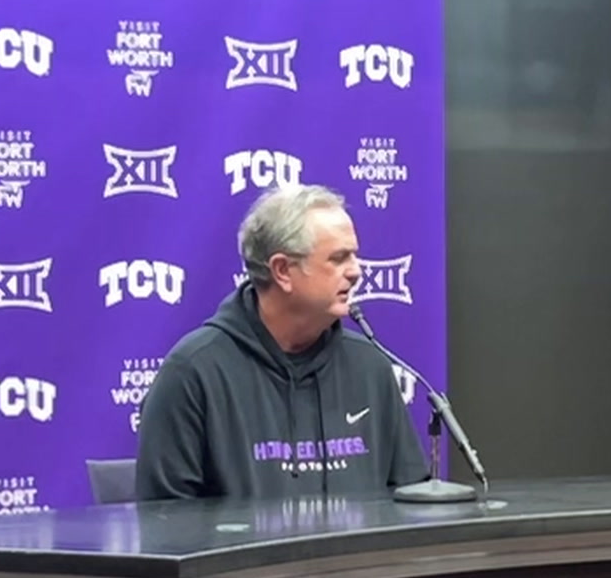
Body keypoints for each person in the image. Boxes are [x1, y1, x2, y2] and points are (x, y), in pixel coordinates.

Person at [135, 183, 429, 500]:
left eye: (354, 256)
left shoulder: (370, 368)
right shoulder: (194, 373)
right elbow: (165, 524)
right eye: (338, 258)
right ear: (282, 271)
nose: (356, 272)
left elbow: (410, 501)